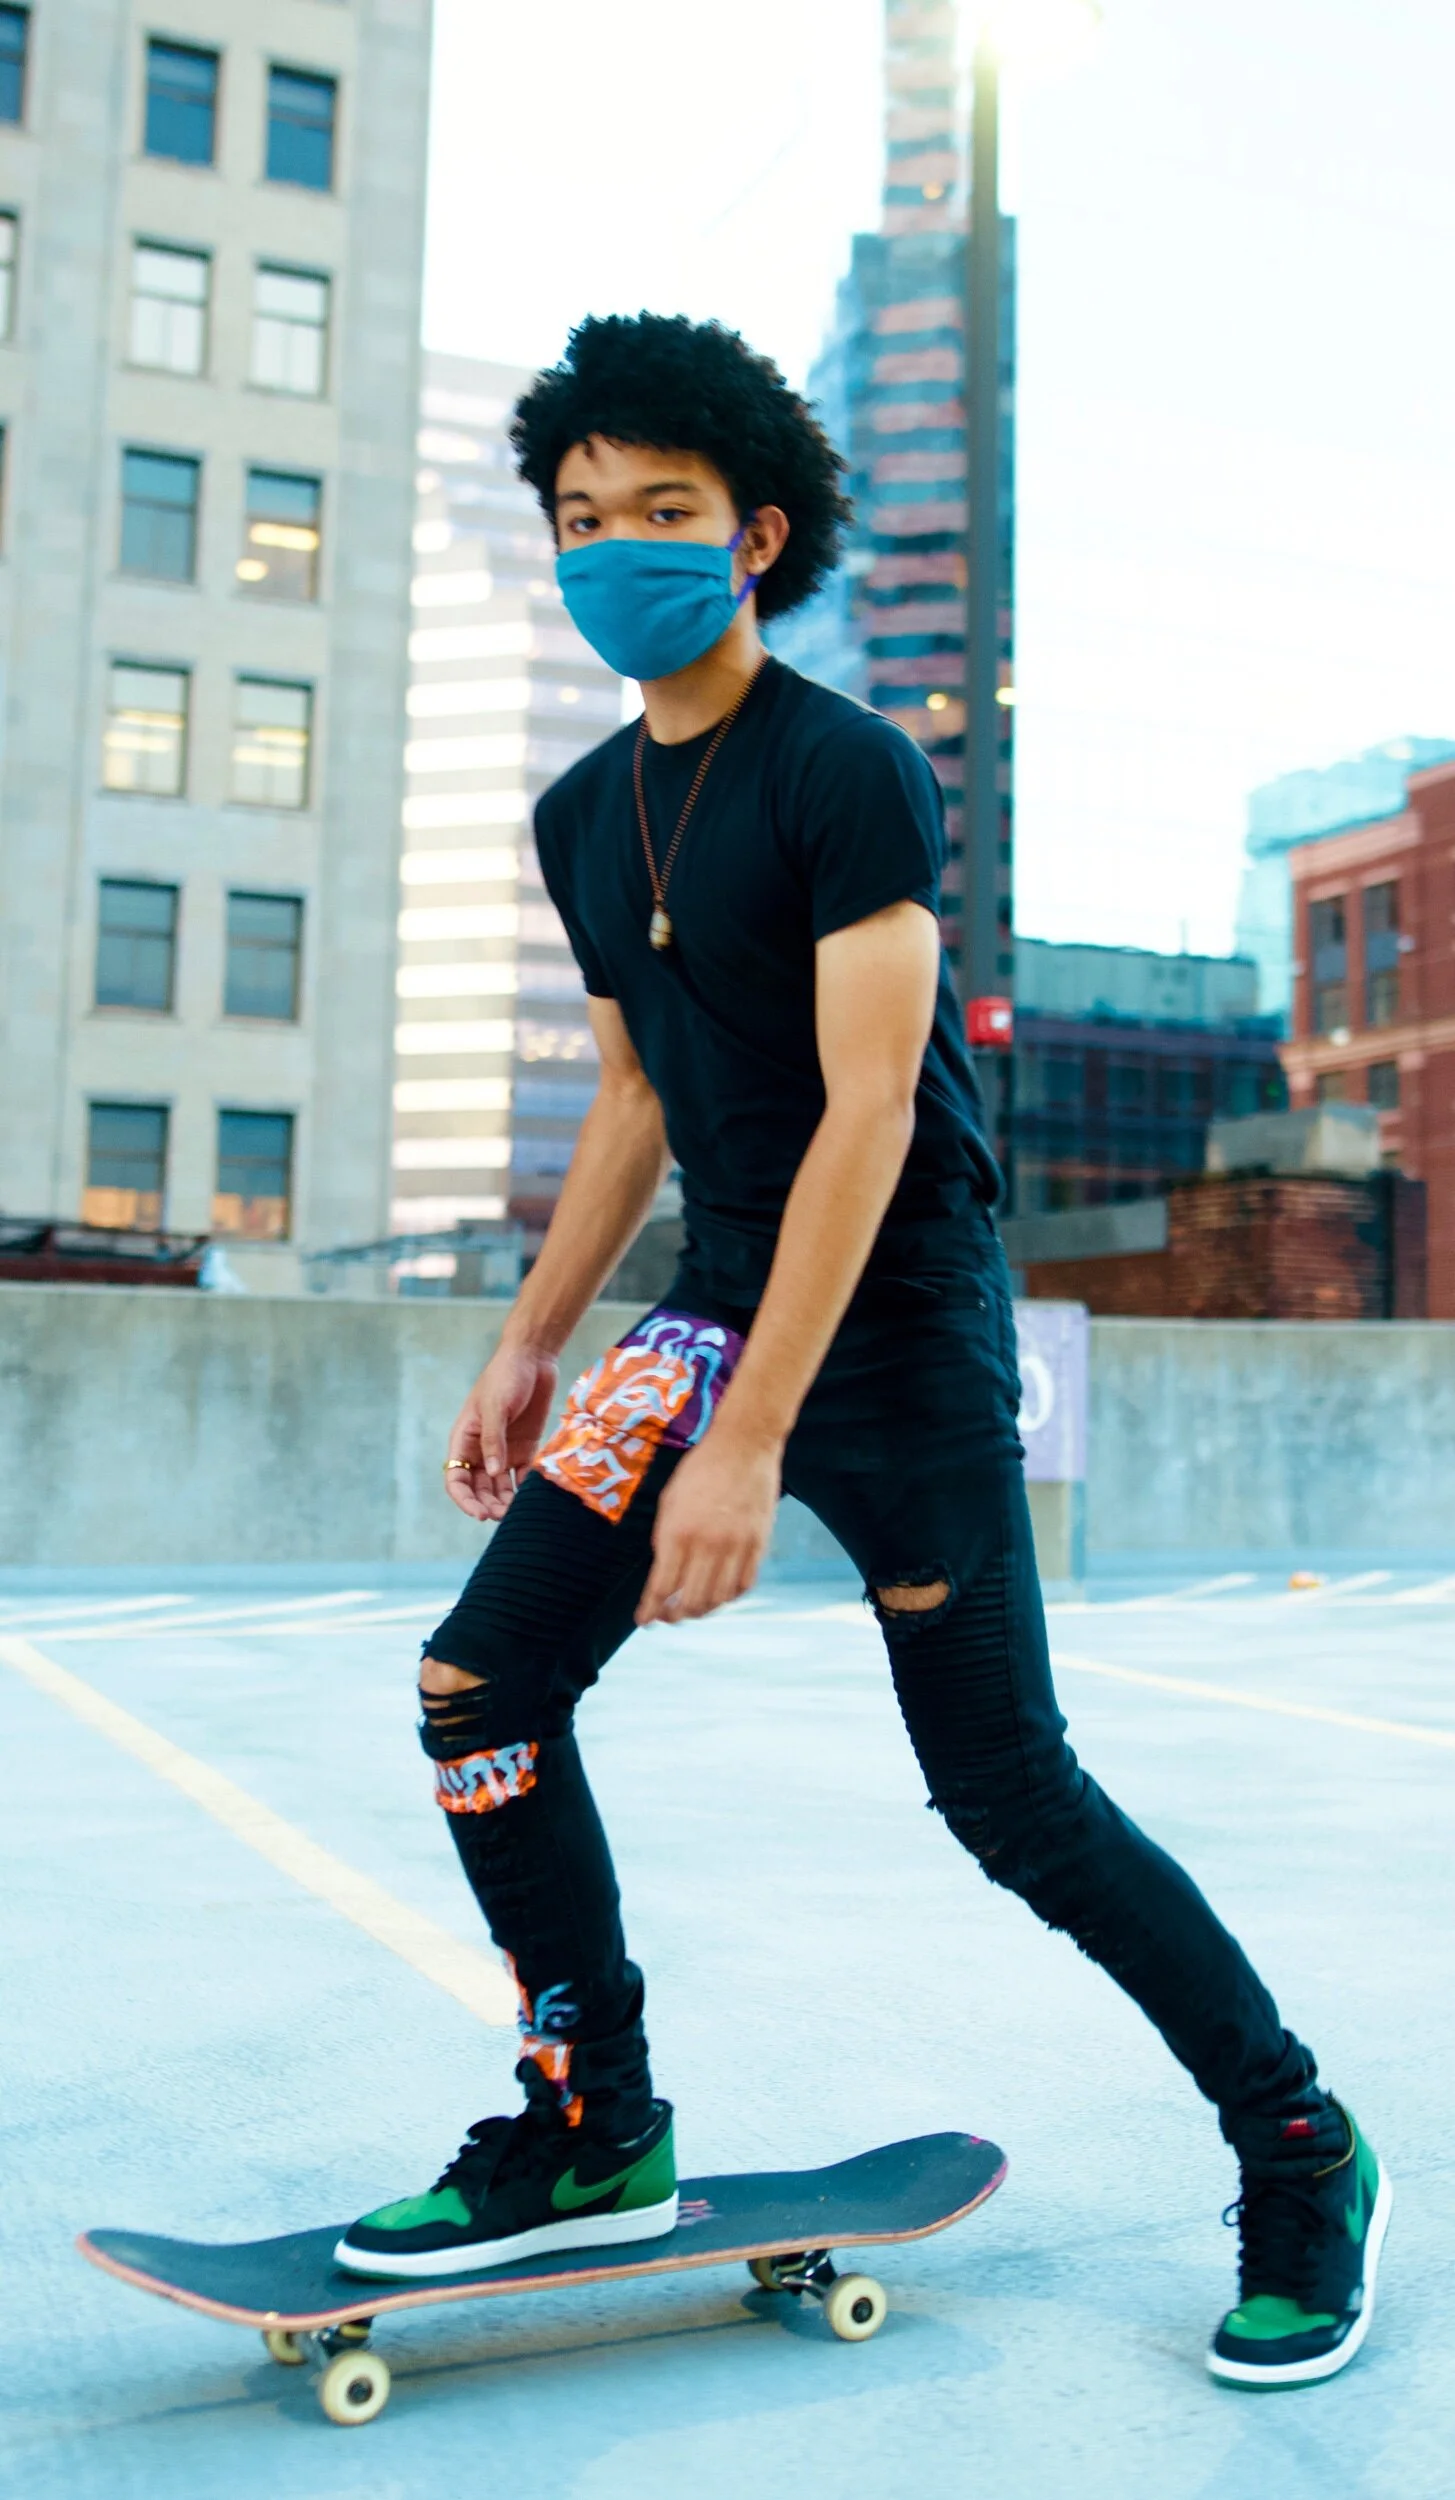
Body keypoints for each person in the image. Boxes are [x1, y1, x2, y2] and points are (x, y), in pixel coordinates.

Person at [337, 313, 1389, 2389]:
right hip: (714, 1298)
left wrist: (749, 1441)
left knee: (1009, 1792)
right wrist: (533, 1341)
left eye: (661, 511)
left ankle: (1297, 2138)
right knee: (479, 1681)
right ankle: (590, 2119)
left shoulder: (844, 768)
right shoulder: (579, 813)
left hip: (892, 1322)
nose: (616, 545)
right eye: (578, 517)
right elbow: (639, 1097)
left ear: (756, 533)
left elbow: (869, 1111)